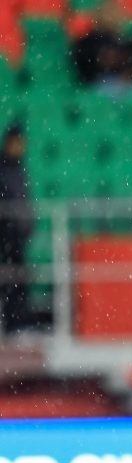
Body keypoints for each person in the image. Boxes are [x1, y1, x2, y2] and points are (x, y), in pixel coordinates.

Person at [0, 126, 34, 336]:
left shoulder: (18, 168)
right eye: (17, 142)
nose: (20, 147)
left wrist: (26, 224)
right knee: (10, 278)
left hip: (16, 235)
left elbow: (22, 200)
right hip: (6, 234)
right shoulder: (5, 168)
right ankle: (12, 325)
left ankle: (17, 324)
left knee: (18, 278)